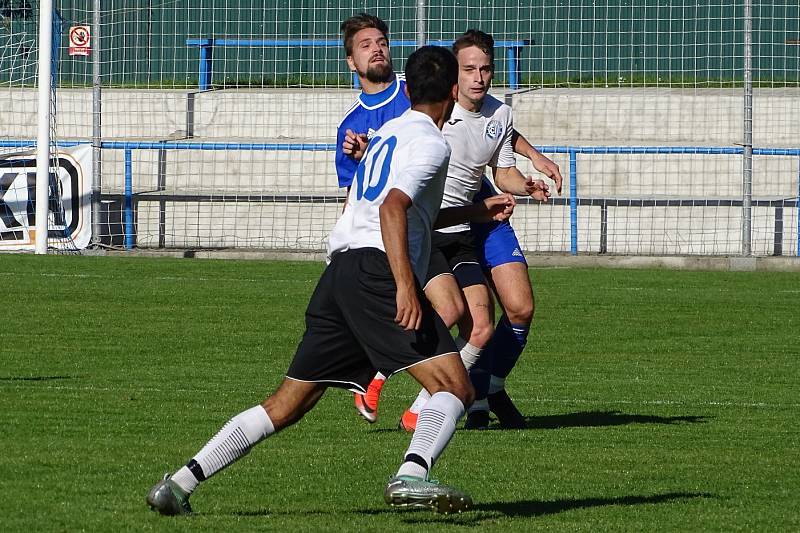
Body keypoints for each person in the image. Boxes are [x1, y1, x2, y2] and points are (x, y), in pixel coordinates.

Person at [146, 46, 496, 516]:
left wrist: (475, 211)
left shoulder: (389, 132)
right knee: (454, 387)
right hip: (376, 272)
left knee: (287, 403)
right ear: (453, 92)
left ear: (408, 90)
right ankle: (411, 476)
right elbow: (392, 209)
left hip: (340, 272)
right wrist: (406, 286)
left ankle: (178, 484)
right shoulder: (434, 143)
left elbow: (388, 208)